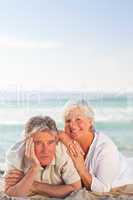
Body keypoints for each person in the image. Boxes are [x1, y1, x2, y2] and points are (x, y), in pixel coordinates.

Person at [59, 100, 133, 193]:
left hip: (127, 173)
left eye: (78, 119)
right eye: (68, 121)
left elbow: (103, 189)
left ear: (90, 122)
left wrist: (81, 167)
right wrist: (62, 136)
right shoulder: (69, 142)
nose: (72, 125)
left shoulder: (105, 148)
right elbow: (47, 133)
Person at [4, 116, 81, 198]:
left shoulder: (62, 151)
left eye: (50, 142)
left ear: (56, 140)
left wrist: (33, 185)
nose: (45, 150)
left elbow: (75, 188)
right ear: (27, 142)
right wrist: (34, 168)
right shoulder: (15, 155)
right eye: (38, 143)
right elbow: (11, 194)